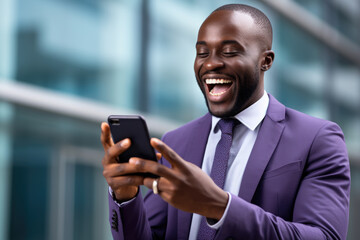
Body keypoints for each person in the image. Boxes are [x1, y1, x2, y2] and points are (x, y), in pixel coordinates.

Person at [101, 4, 350, 240]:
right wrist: (125, 195)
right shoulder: (176, 142)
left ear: (266, 61)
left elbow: (324, 236)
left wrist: (219, 206)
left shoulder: (317, 139)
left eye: (229, 52)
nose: (211, 63)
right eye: (202, 53)